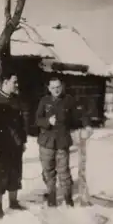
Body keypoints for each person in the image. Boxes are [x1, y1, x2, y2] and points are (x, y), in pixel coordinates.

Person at [35, 75, 92, 207]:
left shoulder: (69, 100)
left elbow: (81, 114)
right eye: (53, 87)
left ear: (62, 87)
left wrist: (87, 125)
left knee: (64, 172)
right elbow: (37, 120)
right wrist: (47, 121)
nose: (56, 90)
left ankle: (68, 199)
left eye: (58, 87)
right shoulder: (44, 101)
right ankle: (51, 199)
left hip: (62, 142)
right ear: (49, 88)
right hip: (46, 142)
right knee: (48, 172)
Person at [0, 70, 27, 219]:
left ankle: (13, 202)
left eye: (17, 82)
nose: (17, 85)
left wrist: (23, 140)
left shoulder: (16, 100)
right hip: (0, 146)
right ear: (5, 82)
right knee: (0, 176)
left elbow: (21, 123)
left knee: (15, 173)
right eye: (14, 82)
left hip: (15, 145)